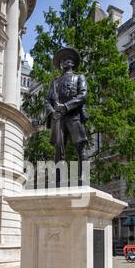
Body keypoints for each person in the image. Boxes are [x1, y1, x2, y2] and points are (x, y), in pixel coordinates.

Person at [46, 47, 88, 185]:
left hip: (74, 115)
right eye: (62, 60)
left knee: (80, 146)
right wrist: (52, 112)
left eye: (67, 59)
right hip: (59, 118)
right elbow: (48, 100)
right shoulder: (55, 82)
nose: (64, 62)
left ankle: (84, 176)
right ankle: (59, 178)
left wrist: (66, 106)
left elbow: (83, 95)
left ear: (73, 63)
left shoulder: (79, 77)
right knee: (59, 149)